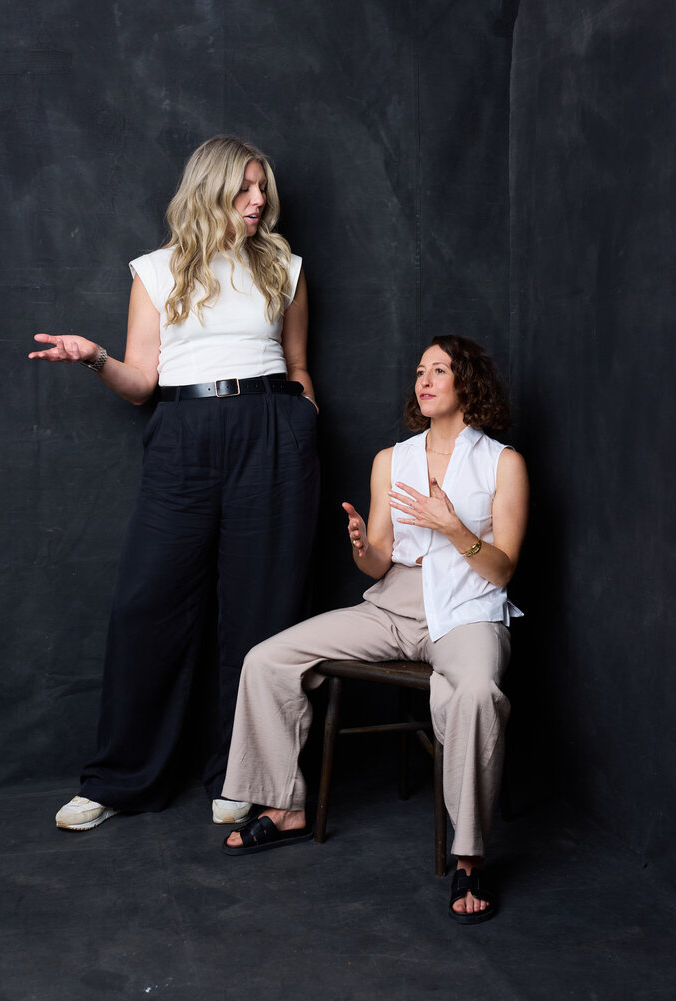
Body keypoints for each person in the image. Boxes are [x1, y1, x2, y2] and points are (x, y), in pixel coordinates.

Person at [29, 135, 319, 830]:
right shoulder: (156, 271)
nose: (258, 202)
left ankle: (246, 777)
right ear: (209, 189)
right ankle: (119, 780)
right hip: (183, 433)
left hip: (272, 431)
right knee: (147, 603)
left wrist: (302, 416)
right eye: (245, 189)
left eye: (262, 190)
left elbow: (300, 362)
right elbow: (141, 384)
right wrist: (97, 357)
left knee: (263, 614)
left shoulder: (285, 267)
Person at [220, 335, 528, 924]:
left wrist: (454, 527)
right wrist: (363, 546)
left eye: (440, 370)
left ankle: (468, 853)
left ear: (469, 383)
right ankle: (285, 806)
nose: (425, 380)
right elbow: (379, 561)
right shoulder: (393, 459)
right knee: (266, 658)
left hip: (467, 610)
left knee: (476, 693)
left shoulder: (502, 462)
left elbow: (504, 566)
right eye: (420, 371)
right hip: (392, 606)